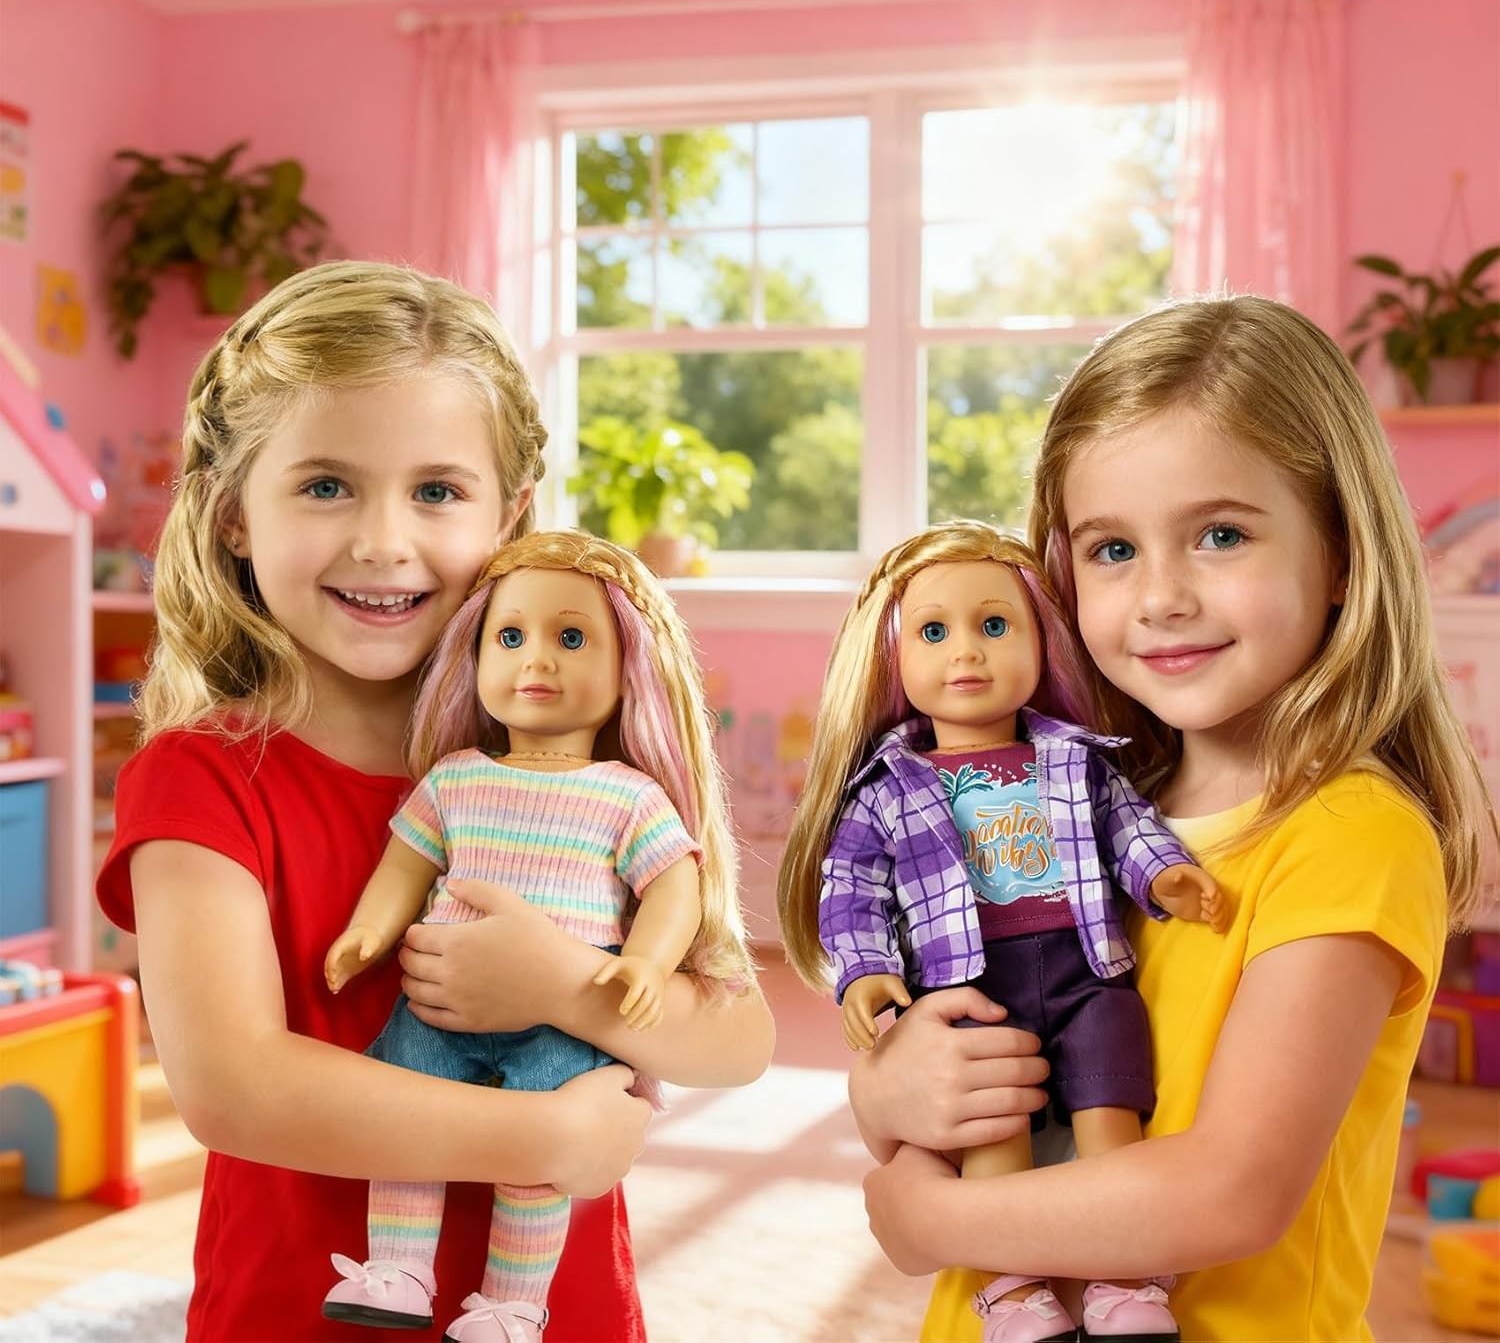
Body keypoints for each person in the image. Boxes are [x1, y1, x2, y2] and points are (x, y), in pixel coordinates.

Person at [96, 261, 774, 1343]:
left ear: (511, 518)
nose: (383, 540)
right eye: (326, 486)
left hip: (557, 1317)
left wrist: (561, 985)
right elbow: (232, 1086)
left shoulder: (585, 772)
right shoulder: (199, 779)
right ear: (232, 517)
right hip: (302, 1318)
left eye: (438, 492)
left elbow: (738, 1038)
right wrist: (538, 1139)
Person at [853, 296, 1493, 1342]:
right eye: (1112, 550)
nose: (1159, 597)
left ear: (1340, 552)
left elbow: (1233, 1191)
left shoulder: (1351, 836)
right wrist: (888, 1095)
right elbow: (960, 1054)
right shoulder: (1081, 801)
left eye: (1221, 535)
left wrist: (936, 1219)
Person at [779, 523, 1226, 1342]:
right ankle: (1013, 1291)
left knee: (1110, 1107)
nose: (966, 652)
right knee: (993, 1123)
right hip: (973, 985)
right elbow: (852, 887)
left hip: (1088, 966)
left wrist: (1164, 874)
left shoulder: (1074, 761)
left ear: (1041, 643)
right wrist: (865, 971)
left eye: (994, 625)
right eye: (933, 631)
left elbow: (1126, 826)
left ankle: (1123, 1277)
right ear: (892, 656)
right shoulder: (889, 787)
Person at [321, 529, 754, 1342]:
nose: (538, 661)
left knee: (541, 1161)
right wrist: (368, 932)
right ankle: (400, 1268)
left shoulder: (627, 795)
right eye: (511, 638)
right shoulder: (455, 778)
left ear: (627, 668)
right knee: (408, 1121)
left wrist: (646, 963)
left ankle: (513, 1304)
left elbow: (675, 887)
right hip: (437, 1004)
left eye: (572, 639)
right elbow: (405, 864)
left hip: (565, 1016)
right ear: (476, 656)